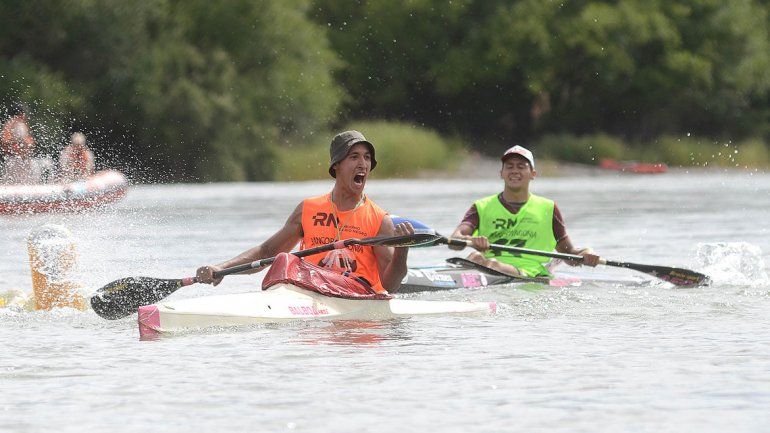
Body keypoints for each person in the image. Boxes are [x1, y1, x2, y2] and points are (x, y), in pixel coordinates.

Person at [196, 130, 414, 294]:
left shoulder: (379, 220)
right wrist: (221, 268)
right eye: (354, 156)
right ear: (336, 165)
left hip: (355, 296)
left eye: (367, 157)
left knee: (286, 262)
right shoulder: (308, 209)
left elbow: (389, 286)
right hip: (307, 290)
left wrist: (402, 251)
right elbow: (266, 252)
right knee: (283, 260)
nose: (363, 164)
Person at [450, 145, 600, 277]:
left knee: (486, 262)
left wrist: (587, 252)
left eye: (521, 166)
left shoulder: (548, 208)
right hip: (485, 267)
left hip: (530, 275)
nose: (514, 171)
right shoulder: (481, 206)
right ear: (501, 173)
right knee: (474, 256)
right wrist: (470, 240)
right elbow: (454, 241)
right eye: (509, 166)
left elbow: (569, 255)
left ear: (533, 174)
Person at [1, 103, 40, 184]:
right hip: (17, 161)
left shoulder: (10, 124)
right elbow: (30, 143)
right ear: (21, 114)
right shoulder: (17, 124)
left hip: (14, 160)